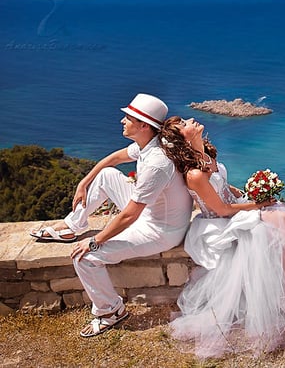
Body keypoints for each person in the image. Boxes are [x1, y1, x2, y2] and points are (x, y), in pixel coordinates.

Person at [158, 115, 285, 359]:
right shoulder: (194, 174)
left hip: (235, 209)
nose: (191, 119)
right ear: (182, 140)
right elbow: (221, 209)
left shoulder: (207, 155)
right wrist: (257, 204)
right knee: (283, 219)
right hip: (221, 223)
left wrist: (249, 193)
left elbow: (223, 188)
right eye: (183, 124)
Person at [30, 94, 193, 338]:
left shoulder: (157, 163)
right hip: (151, 214)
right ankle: (72, 226)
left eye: (128, 118)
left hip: (160, 230)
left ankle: (110, 311)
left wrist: (96, 240)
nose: (122, 121)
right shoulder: (150, 143)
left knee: (85, 257)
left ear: (143, 125)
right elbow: (113, 159)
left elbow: (130, 215)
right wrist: (84, 182)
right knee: (106, 175)